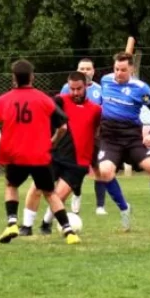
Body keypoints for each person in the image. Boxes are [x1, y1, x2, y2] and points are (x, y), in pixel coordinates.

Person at [0, 59, 80, 245]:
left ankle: (12, 222)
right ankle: (69, 232)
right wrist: (53, 142)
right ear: (32, 77)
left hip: (15, 154)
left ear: (14, 78)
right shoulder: (43, 99)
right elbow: (62, 127)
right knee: (50, 193)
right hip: (39, 155)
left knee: (11, 186)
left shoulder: (4, 99)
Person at [96, 52, 150, 232]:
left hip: (132, 139)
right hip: (110, 139)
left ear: (131, 69)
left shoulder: (141, 88)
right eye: (116, 69)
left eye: (123, 70)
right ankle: (124, 208)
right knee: (105, 172)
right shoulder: (105, 81)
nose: (118, 73)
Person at [20, 71, 102, 235]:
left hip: (78, 162)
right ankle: (26, 227)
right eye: (72, 89)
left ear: (85, 86)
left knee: (58, 195)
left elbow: (96, 137)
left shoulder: (96, 110)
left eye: (78, 89)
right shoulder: (60, 101)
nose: (75, 93)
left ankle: (45, 224)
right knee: (37, 187)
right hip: (54, 156)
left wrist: (94, 163)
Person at [59, 58, 108, 216]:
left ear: (93, 71)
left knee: (98, 169)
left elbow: (103, 113)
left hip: (94, 136)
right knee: (74, 169)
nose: (85, 71)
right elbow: (60, 110)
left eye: (88, 69)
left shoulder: (100, 90)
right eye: (82, 68)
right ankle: (76, 194)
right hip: (73, 136)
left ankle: (100, 205)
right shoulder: (67, 88)